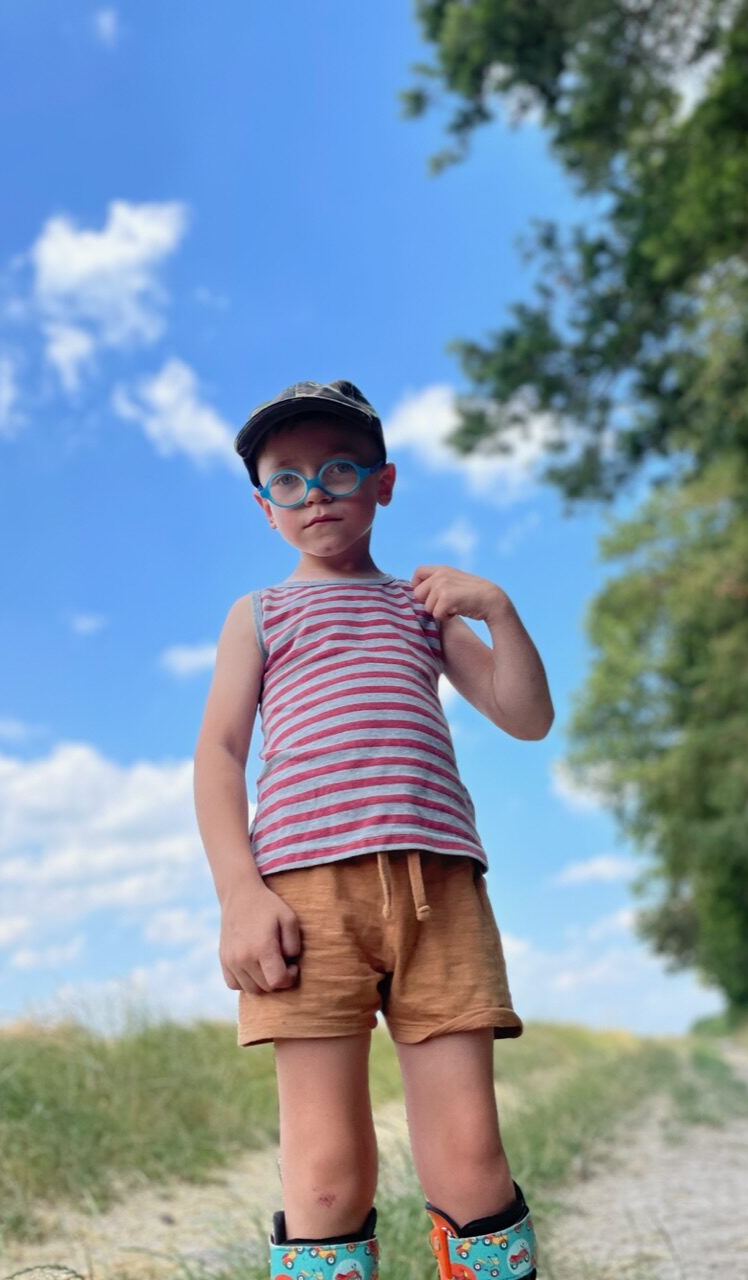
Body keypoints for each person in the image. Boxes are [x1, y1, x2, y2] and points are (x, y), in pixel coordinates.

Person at [193, 379, 553, 1279]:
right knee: (325, 1178)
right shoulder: (260, 614)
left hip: (440, 893)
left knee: (471, 1161)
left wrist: (498, 611)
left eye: (339, 469)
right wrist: (239, 894)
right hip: (304, 903)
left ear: (383, 483)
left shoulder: (419, 608)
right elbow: (220, 753)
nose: (314, 492)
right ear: (264, 506)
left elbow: (527, 717)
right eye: (287, 478)